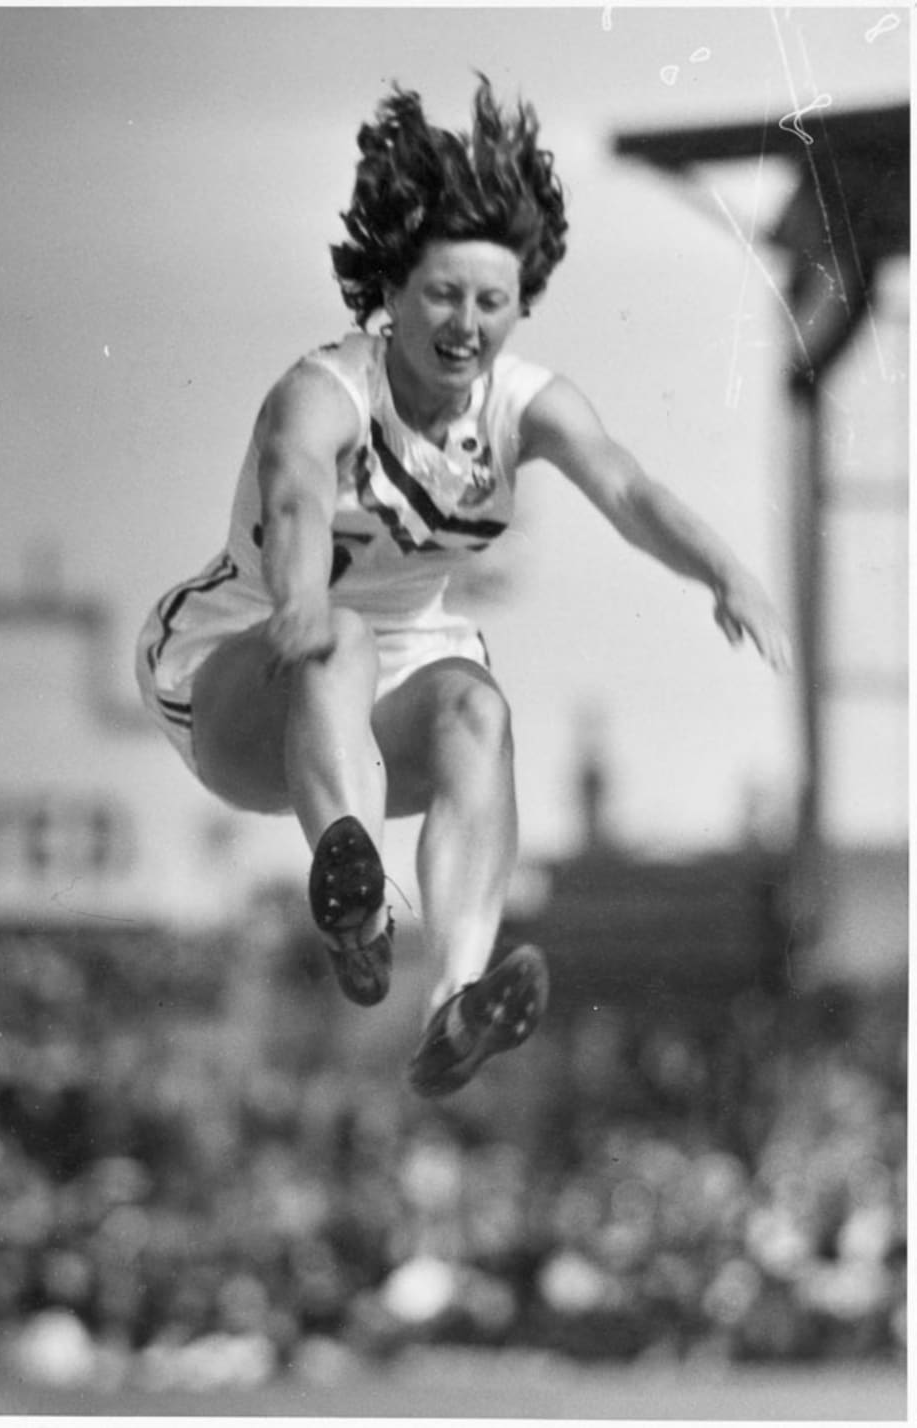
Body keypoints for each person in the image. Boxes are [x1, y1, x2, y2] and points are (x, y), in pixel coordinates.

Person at [136, 77, 792, 1099]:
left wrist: (724, 569)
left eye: (493, 302)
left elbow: (626, 487)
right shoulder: (325, 390)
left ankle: (456, 997)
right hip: (243, 667)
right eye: (443, 295)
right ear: (391, 290)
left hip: (384, 683)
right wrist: (303, 592)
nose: (466, 326)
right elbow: (299, 491)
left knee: (477, 706)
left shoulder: (527, 404)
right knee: (341, 642)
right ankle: (353, 896)